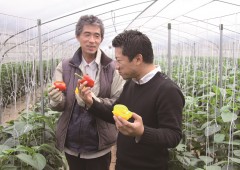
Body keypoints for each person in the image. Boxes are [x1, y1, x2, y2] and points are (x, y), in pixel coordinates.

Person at [77, 30, 185, 170]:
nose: (116, 66)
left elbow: (173, 136)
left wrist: (142, 132)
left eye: (119, 60)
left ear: (138, 59)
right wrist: (90, 102)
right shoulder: (132, 83)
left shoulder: (167, 90)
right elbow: (115, 113)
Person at [47, 15, 124, 170]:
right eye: (87, 34)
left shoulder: (112, 68)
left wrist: (94, 102)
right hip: (72, 144)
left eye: (97, 35)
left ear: (101, 39)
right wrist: (56, 100)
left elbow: (118, 102)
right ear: (78, 36)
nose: (92, 40)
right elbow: (60, 105)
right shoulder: (65, 67)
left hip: (99, 144)